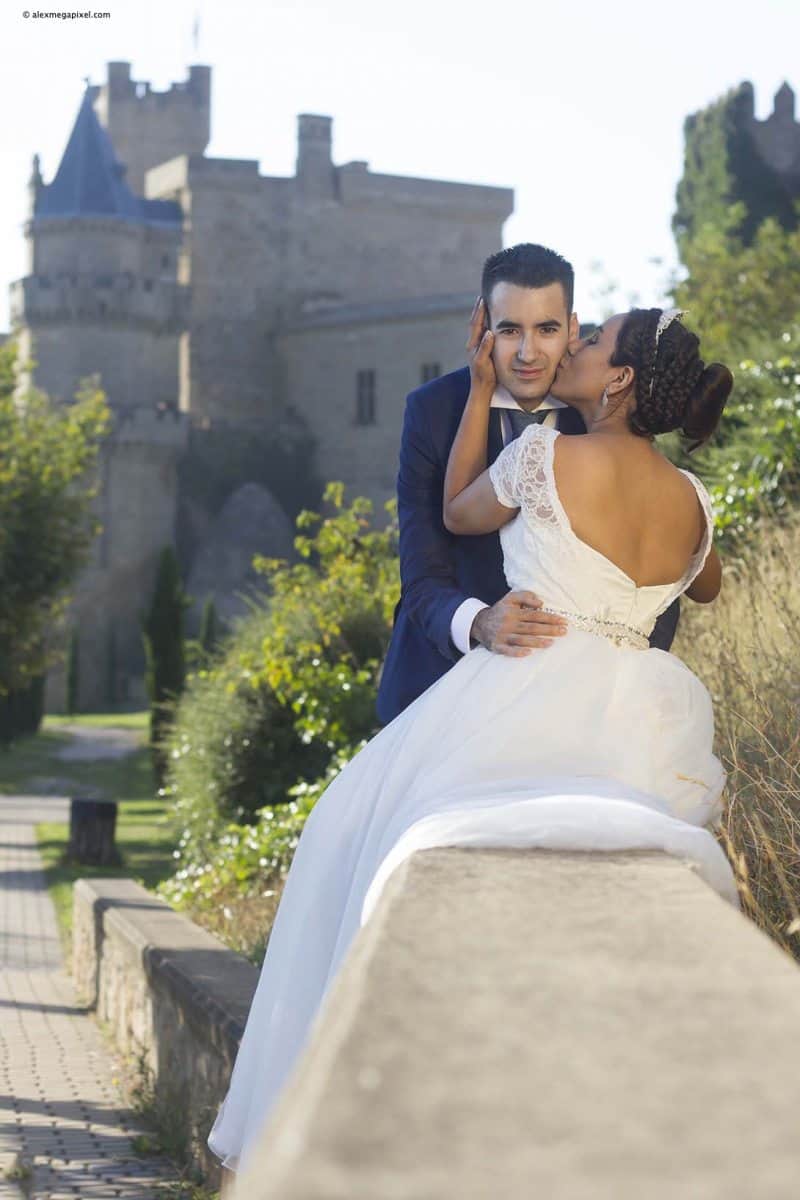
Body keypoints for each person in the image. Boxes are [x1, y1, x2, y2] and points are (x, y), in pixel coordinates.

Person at [206, 298, 740, 1175]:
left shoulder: (541, 454)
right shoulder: (692, 500)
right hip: (641, 715)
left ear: (620, 380)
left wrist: (482, 389)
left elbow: (457, 514)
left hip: (529, 683)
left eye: (592, 340)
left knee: (346, 827)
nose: (575, 345)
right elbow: (705, 584)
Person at [376, 242, 680, 725]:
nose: (527, 353)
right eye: (510, 329)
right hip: (439, 688)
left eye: (547, 329)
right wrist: (481, 622)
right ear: (483, 327)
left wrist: (615, 691)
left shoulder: (608, 415)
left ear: (572, 330)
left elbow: (655, 587)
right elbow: (422, 574)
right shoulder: (432, 410)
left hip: (581, 705)